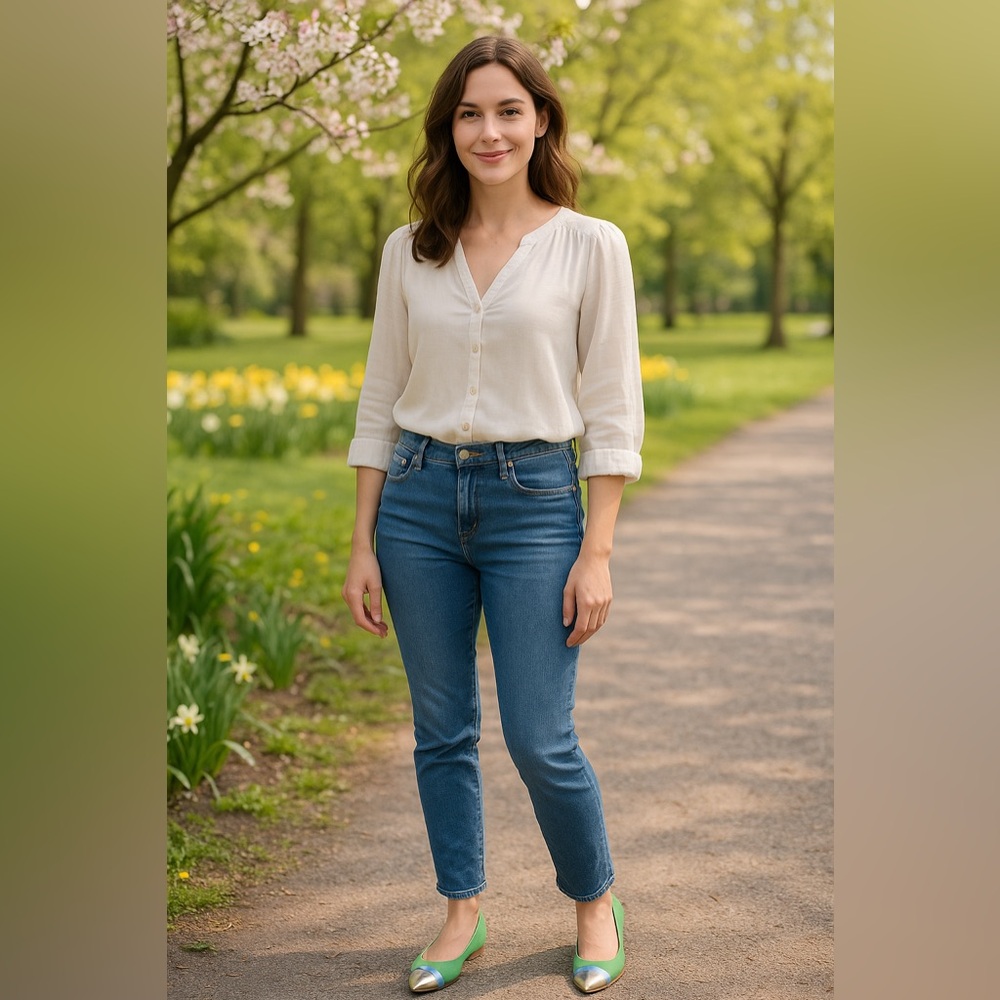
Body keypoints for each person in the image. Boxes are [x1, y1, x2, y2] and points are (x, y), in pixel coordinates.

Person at [342, 35, 643, 995]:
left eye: (508, 110)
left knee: (538, 736)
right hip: (420, 505)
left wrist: (596, 551)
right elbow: (380, 398)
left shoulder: (591, 245)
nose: (489, 130)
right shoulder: (410, 250)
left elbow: (612, 409)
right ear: (449, 129)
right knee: (440, 729)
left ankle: (594, 902)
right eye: (470, 113)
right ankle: (460, 911)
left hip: (536, 507)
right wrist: (363, 542)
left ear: (541, 118)